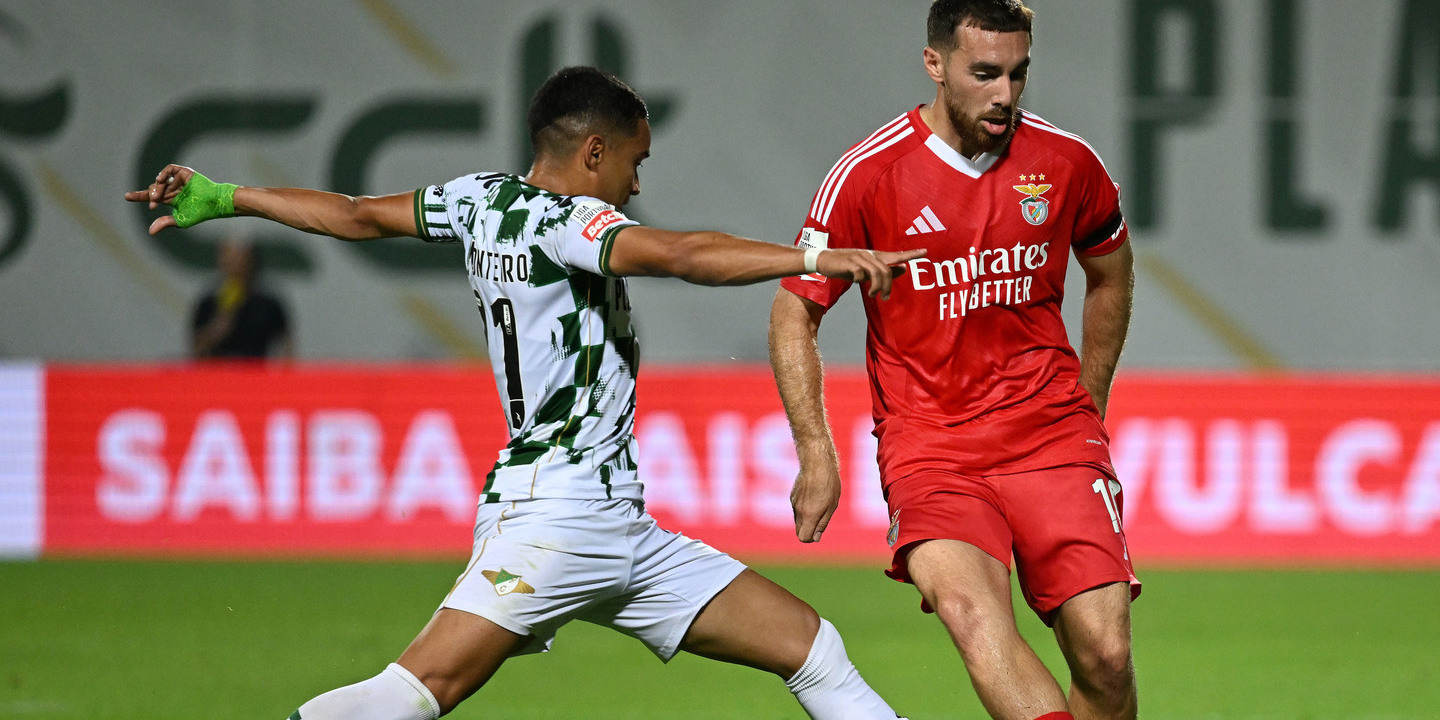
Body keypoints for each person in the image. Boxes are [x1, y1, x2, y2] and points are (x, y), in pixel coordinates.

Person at [127, 66, 923, 720]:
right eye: (635, 164)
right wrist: (815, 259)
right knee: (418, 691)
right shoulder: (567, 223)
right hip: (558, 520)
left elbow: (355, 215)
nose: (636, 184)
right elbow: (681, 254)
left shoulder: (479, 201)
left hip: (618, 528)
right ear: (594, 153)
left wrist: (230, 197)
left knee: (813, 650)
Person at [768, 2, 1139, 720]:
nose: (1005, 93)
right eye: (984, 73)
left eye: (1017, 73)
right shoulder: (869, 174)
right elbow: (794, 311)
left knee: (1107, 658)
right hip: (932, 446)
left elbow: (1112, 272)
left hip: (1050, 433)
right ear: (935, 65)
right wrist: (816, 453)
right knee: (973, 617)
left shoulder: (1067, 162)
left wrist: (1088, 403)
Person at [190, 235, 293, 359]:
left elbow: (286, 344)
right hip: (219, 373)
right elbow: (196, 347)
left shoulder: (268, 304)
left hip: (256, 373)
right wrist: (218, 327)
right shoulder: (208, 303)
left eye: (239, 259)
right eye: (228, 260)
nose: (234, 266)